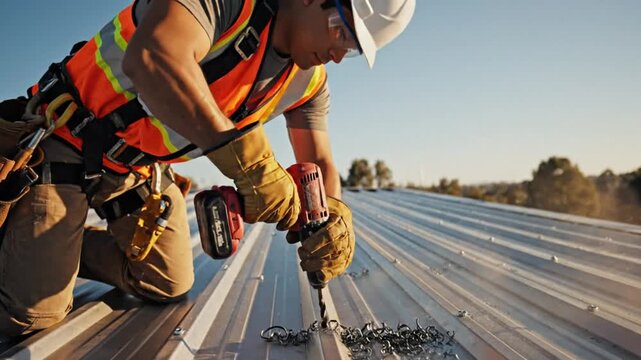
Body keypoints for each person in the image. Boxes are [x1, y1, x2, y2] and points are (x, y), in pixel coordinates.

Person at [0, 0, 414, 336]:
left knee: (168, 282)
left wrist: (334, 216)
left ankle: (56, 249)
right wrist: (249, 163)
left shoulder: (308, 81)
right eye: (343, 31)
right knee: (32, 317)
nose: (341, 55)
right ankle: (26, 247)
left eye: (355, 49)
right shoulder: (228, 4)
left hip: (136, 169)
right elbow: (153, 58)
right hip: (64, 139)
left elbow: (319, 161)